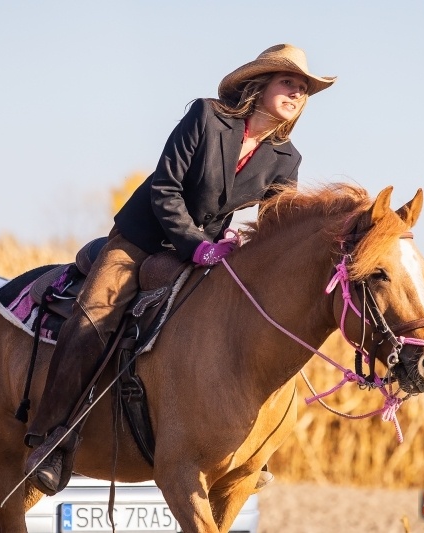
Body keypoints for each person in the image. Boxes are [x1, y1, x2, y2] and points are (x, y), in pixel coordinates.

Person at [24, 43, 336, 496]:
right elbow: (165, 188)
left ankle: (246, 448)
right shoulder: (207, 118)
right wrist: (198, 245)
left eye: (304, 89)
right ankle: (51, 439)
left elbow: (272, 226)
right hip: (141, 241)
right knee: (92, 317)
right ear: (261, 83)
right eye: (289, 82)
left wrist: (236, 247)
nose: (297, 94)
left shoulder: (288, 159)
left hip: (209, 251)